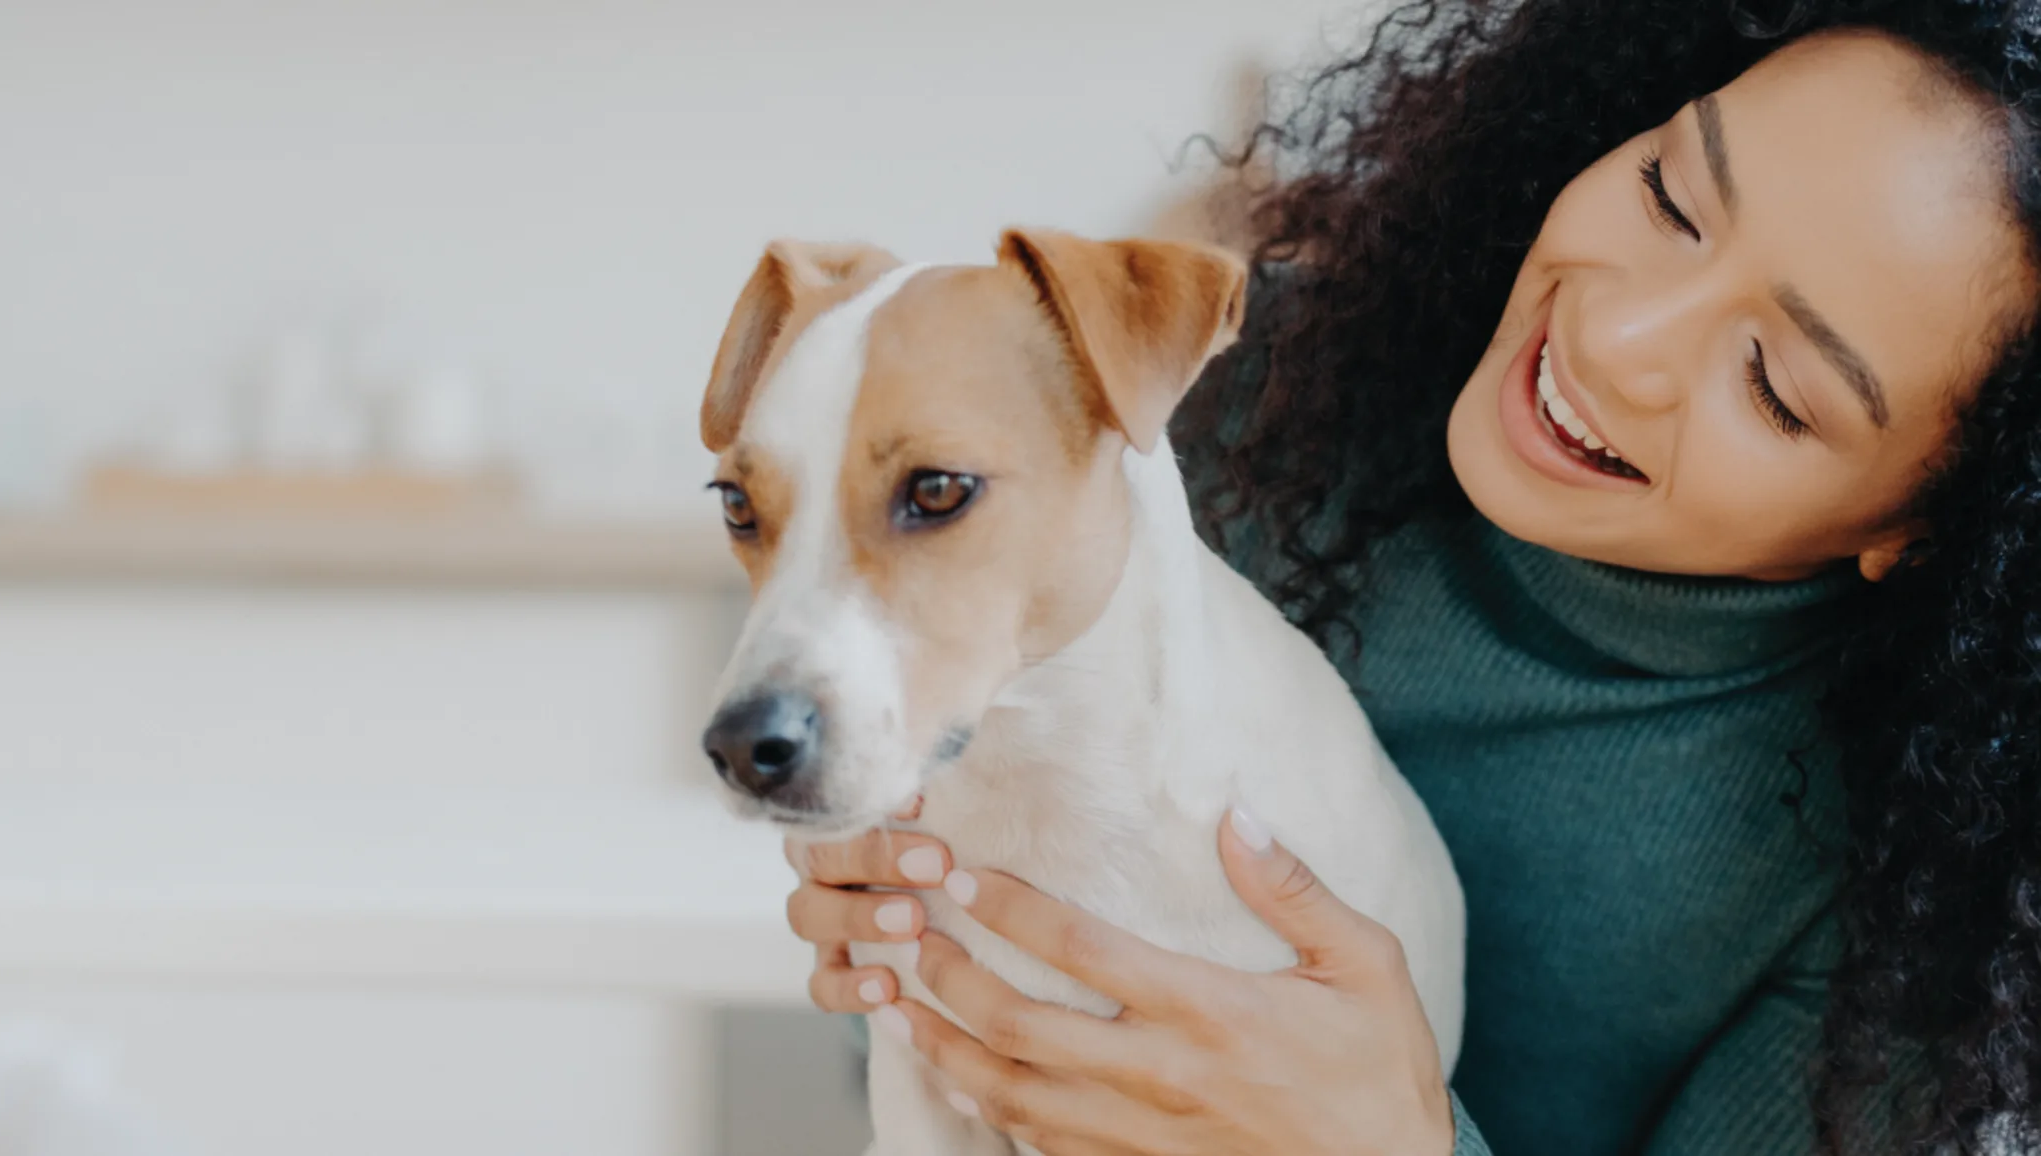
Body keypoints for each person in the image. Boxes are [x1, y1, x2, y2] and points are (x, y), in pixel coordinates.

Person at [776, 1, 2041, 1152]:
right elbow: (925, 1019)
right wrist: (892, 957)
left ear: (1928, 529)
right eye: (1668, 195)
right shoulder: (1224, 399)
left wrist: (1395, 1140)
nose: (1614, 332)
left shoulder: (1914, 914)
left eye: (1772, 384)